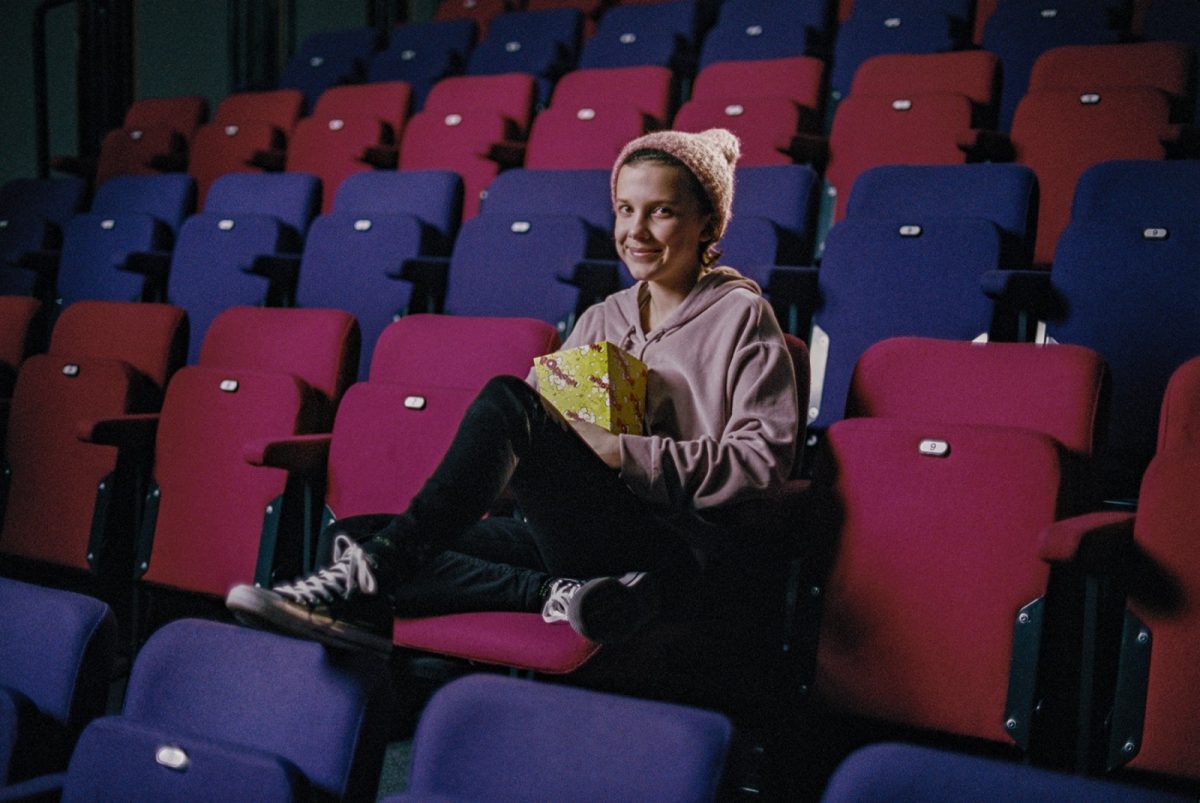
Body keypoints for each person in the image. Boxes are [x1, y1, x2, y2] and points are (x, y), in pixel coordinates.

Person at [226, 128, 800, 654]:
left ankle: (374, 580)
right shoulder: (604, 315)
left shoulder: (743, 317)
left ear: (707, 223)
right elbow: (529, 443)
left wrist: (621, 451)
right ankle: (556, 594)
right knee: (349, 536)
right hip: (575, 537)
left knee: (506, 401)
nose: (636, 232)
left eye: (662, 212)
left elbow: (762, 465)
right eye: (626, 210)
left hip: (671, 547)